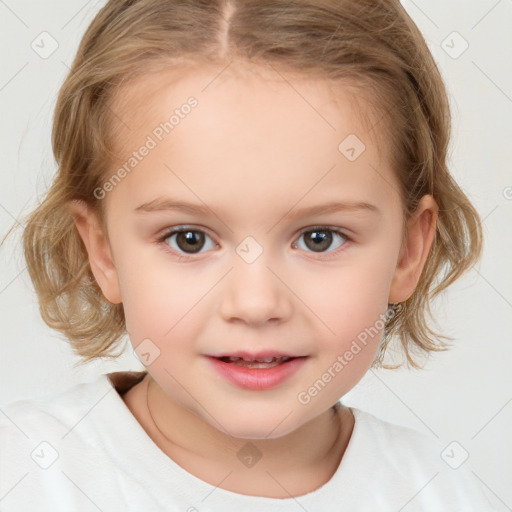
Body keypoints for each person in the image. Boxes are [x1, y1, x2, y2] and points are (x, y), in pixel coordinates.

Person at [0, 0, 502, 510]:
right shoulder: (25, 475)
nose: (256, 303)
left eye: (319, 238)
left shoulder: (445, 493)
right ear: (102, 252)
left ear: (407, 252)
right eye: (189, 239)